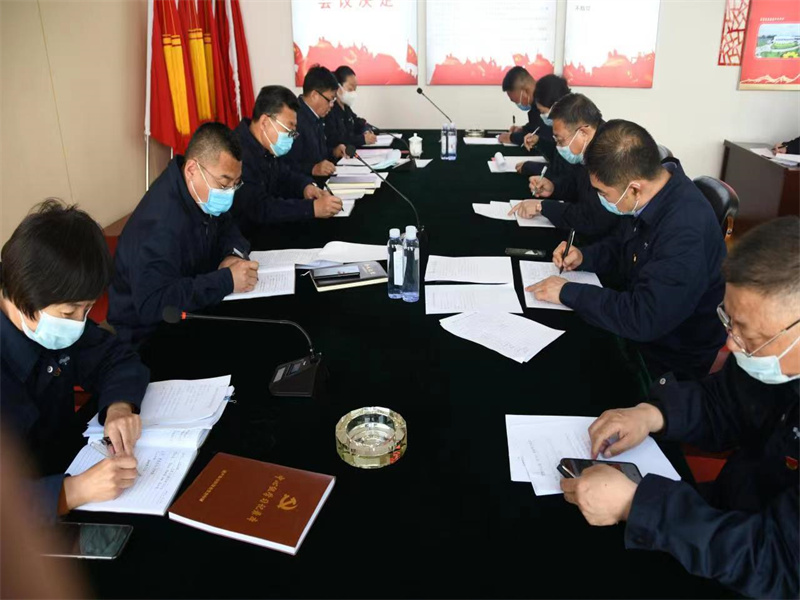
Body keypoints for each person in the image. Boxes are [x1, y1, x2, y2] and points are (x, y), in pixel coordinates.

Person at [560, 217, 799, 598]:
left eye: (750, 336)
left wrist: (637, 506)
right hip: (730, 511)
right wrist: (653, 414)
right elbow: (726, 402)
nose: (731, 345)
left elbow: (779, 563)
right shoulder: (773, 353)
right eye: (729, 322)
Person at [526, 119, 727, 380]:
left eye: (603, 193)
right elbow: (623, 245)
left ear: (634, 189)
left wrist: (568, 292)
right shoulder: (654, 193)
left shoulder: (684, 230)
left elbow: (644, 318)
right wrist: (584, 256)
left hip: (668, 353)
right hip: (639, 310)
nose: (602, 200)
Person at [0, 200, 150, 518]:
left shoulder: (50, 321)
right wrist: (72, 492)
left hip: (70, 463)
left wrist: (118, 407)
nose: (79, 323)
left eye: (87, 309)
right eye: (70, 313)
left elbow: (115, 357)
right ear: (25, 298)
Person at [108, 122, 258, 344]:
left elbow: (228, 226)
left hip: (195, 305)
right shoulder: (159, 224)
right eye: (224, 184)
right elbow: (152, 304)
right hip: (151, 335)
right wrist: (225, 281)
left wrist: (232, 255)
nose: (229, 193)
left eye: (236, 184)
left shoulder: (200, 192)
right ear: (191, 170)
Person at [232, 85, 343, 237]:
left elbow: (285, 175)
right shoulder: (236, 153)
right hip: (249, 237)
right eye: (289, 129)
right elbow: (259, 208)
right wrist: (311, 208)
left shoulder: (267, 146)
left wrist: (306, 187)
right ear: (265, 122)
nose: (291, 136)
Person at [509, 93, 617, 237]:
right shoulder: (587, 148)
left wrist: (541, 207)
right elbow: (577, 188)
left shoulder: (610, 157)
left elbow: (592, 219)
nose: (559, 147)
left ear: (583, 133)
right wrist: (554, 188)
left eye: (560, 140)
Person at [284, 65, 348, 177]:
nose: (331, 105)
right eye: (330, 100)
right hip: (303, 184)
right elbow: (286, 165)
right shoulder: (293, 120)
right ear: (314, 95)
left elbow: (316, 155)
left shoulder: (317, 116)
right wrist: (312, 169)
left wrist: (333, 152)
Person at [516, 74, 571, 177]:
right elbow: (556, 157)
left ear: (555, 107)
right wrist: (539, 141)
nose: (542, 116)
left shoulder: (573, 132)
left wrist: (532, 167)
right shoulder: (564, 125)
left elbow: (564, 174)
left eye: (543, 112)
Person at [497, 66, 550, 150]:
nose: (517, 104)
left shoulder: (548, 101)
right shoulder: (535, 105)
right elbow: (535, 127)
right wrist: (523, 129)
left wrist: (511, 138)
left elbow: (543, 136)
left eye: (516, 101)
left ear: (525, 91)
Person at [324, 66, 377, 149]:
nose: (353, 93)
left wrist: (366, 131)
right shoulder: (328, 110)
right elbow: (336, 139)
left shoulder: (346, 108)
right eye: (350, 89)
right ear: (338, 87)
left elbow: (360, 123)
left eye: (354, 90)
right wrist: (362, 139)